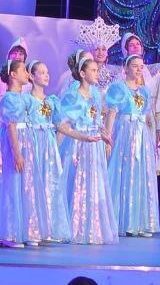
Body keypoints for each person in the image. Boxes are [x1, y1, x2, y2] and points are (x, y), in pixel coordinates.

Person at [56, 51, 117, 244]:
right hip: (78, 145)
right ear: (82, 73)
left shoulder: (95, 95)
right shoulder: (73, 97)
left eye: (97, 70)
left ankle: (92, 227)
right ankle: (75, 227)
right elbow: (64, 125)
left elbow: (96, 120)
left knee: (93, 184)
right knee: (77, 183)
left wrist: (105, 134)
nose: (96, 73)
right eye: (93, 70)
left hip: (94, 146)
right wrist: (59, 147)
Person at [105, 54, 160, 237]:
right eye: (135, 66)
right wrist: (107, 137)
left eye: (141, 66)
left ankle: (141, 222)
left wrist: (152, 136)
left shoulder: (144, 91)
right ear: (126, 68)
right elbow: (112, 113)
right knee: (124, 172)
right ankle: (124, 221)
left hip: (141, 135)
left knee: (141, 174)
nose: (138, 69)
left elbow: (147, 116)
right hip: (125, 133)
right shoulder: (118, 88)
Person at [0, 59, 39, 248]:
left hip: (26, 141)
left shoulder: (25, 98)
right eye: (23, 70)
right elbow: (11, 126)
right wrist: (17, 153)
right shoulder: (9, 99)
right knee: (13, 183)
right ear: (13, 75)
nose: (27, 74)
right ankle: (9, 232)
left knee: (26, 185)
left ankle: (27, 230)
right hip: (16, 142)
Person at [25, 59, 71, 243]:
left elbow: (62, 127)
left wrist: (55, 146)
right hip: (33, 144)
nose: (46, 75)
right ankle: (32, 228)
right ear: (31, 76)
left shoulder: (52, 101)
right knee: (33, 184)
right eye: (42, 72)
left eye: (47, 72)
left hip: (48, 148)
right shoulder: (26, 100)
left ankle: (49, 228)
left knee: (49, 184)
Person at [122, 33, 160, 176]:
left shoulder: (154, 74)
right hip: (128, 124)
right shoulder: (120, 76)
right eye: (131, 45)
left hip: (149, 122)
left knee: (148, 162)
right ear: (126, 50)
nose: (135, 47)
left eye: (138, 44)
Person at [76, 18, 122, 89]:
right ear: (91, 52)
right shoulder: (84, 74)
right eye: (97, 49)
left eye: (103, 49)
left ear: (107, 53)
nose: (100, 53)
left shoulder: (113, 75)